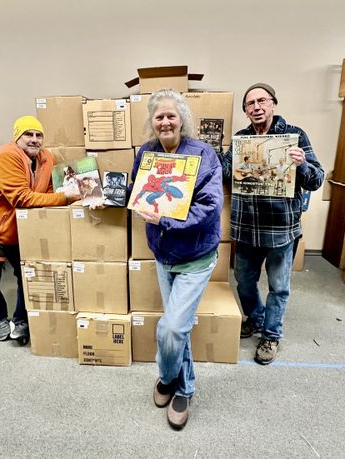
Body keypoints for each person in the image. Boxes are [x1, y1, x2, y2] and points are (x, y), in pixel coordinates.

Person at [130, 89, 223, 429]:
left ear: (182, 118)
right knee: (177, 329)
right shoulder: (147, 152)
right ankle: (179, 384)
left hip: (196, 257)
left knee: (171, 329)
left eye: (171, 115)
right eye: (159, 117)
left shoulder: (203, 154)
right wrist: (105, 194)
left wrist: (165, 220)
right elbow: (138, 192)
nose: (165, 122)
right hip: (163, 255)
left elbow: (210, 206)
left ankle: (175, 383)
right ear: (151, 123)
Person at [218, 83, 324, 365]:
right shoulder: (240, 139)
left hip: (281, 229)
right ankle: (255, 318)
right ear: (245, 110)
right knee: (243, 281)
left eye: (261, 100)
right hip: (246, 227)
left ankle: (271, 335)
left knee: (279, 286)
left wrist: (302, 164)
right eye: (250, 103)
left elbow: (316, 179)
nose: (256, 107)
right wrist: (210, 154)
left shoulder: (295, 136)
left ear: (273, 103)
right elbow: (227, 173)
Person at [0, 115, 81, 343]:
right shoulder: (7, 156)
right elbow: (21, 198)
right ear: (17, 137)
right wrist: (65, 197)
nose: (34, 140)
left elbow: (47, 191)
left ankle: (22, 321)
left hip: (19, 232)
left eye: (39, 135)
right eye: (28, 134)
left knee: (26, 276)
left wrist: (69, 195)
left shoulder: (46, 157)